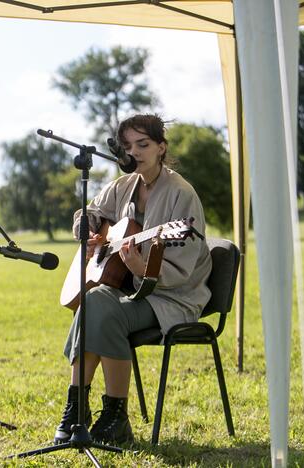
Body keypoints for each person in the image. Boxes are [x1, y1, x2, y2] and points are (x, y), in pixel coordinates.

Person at [54, 114, 212, 445]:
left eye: (143, 145)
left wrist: (143, 270)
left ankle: (103, 414)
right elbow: (90, 211)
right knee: (94, 300)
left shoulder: (182, 195)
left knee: (98, 307)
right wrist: (88, 228)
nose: (135, 152)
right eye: (128, 147)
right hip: (128, 291)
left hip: (171, 298)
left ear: (161, 147)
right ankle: (84, 410)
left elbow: (182, 269)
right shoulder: (124, 186)